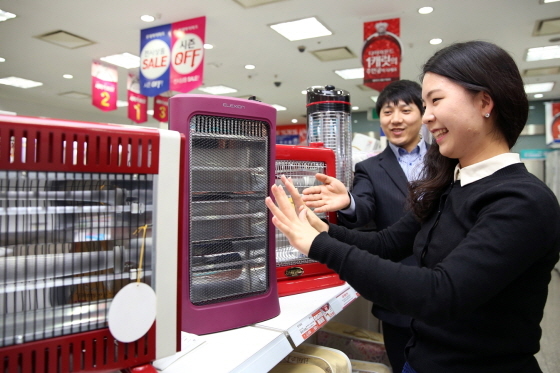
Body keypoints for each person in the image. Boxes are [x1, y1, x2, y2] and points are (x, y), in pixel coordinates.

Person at [265, 40, 560, 373]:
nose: (428, 116)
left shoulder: (523, 201)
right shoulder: (451, 185)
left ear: (484, 102)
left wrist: (319, 245)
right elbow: (386, 243)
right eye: (425, 103)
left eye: (435, 101)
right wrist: (323, 230)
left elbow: (440, 293)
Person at [301, 79, 429, 373]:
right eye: (387, 112)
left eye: (405, 110)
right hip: (397, 291)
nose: (395, 119)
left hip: (447, 286)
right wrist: (347, 201)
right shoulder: (370, 168)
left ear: (422, 114)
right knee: (402, 364)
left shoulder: (446, 159)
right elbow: (363, 207)